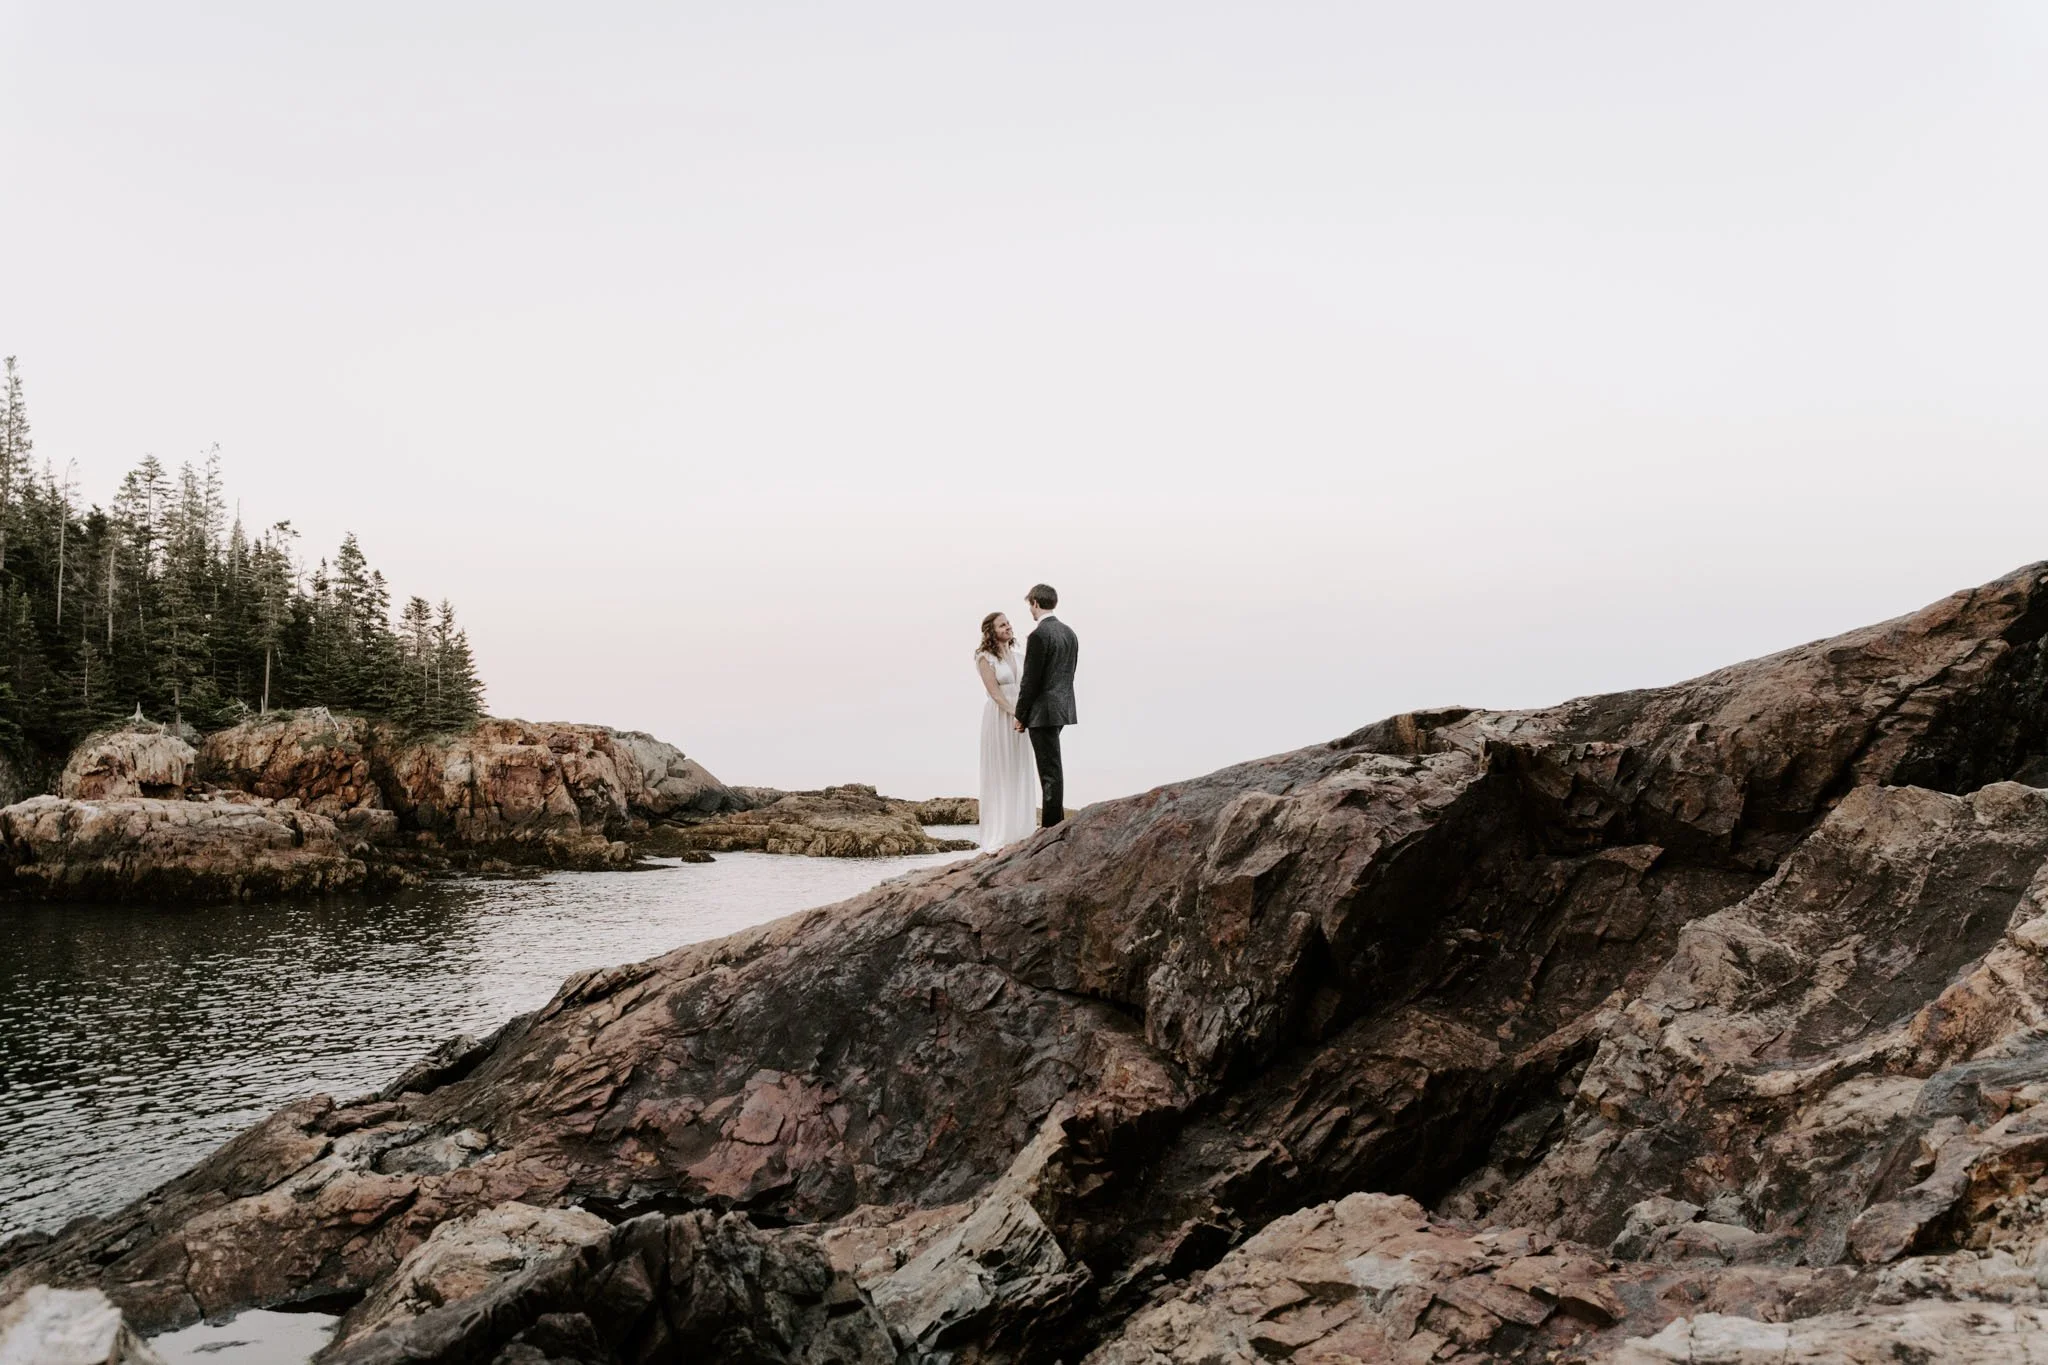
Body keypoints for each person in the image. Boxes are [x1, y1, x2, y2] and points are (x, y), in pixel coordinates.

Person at [1012, 583, 1078, 829]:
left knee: (1049, 770)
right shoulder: (1069, 633)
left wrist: (1021, 715)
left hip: (1043, 710)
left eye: (1030, 604)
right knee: (1053, 766)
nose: (1030, 609)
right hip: (1062, 707)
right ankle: (1055, 820)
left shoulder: (1039, 635)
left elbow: (1031, 681)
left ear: (1036, 603)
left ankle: (1051, 825)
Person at [973, 611, 1040, 849]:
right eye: (1002, 625)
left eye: (1008, 623)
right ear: (991, 632)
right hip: (1001, 717)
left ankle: (1021, 829)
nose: (1008, 627)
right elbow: (994, 693)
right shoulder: (984, 658)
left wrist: (1026, 715)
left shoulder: (1021, 657)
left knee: (1019, 768)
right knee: (1001, 770)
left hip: (1021, 718)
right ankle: (999, 832)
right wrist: (1015, 713)